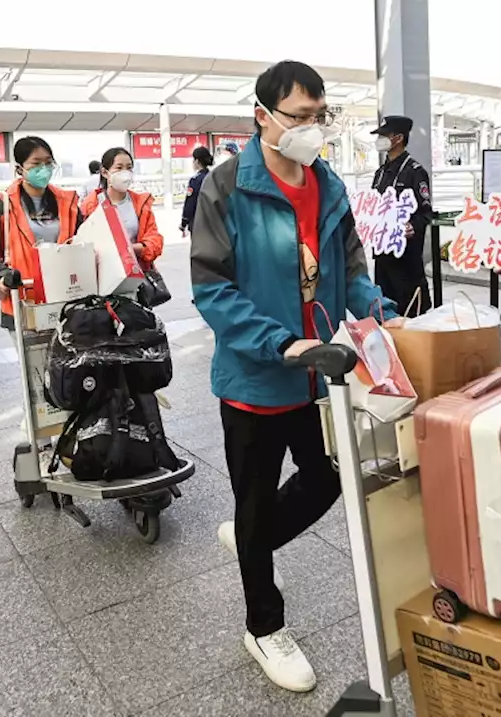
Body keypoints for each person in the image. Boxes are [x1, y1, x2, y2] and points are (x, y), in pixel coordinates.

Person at [190, 59, 399, 694]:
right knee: (255, 495)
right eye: (299, 117)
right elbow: (211, 289)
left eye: (319, 116)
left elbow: (352, 265)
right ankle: (263, 626)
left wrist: (380, 313)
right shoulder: (225, 188)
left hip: (322, 377)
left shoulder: (327, 183)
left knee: (330, 477)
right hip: (259, 380)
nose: (312, 129)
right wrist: (281, 344)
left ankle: (254, 536)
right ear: (263, 117)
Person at [0, 136, 81, 330]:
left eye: (48, 163)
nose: (44, 169)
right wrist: (3, 277)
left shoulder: (68, 203)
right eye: (36, 164)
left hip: (68, 301)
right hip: (22, 303)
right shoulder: (3, 205)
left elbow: (84, 246)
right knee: (35, 360)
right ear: (20, 169)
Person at [370, 115, 434, 316]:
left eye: (384, 135)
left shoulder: (414, 172)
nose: (379, 140)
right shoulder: (380, 172)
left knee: (410, 310)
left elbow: (425, 213)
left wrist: (412, 226)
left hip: (406, 258)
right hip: (383, 255)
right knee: (386, 310)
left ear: (398, 138)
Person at [79, 147, 164, 264]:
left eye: (129, 168)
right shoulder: (90, 205)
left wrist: (131, 249)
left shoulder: (141, 204)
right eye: (119, 168)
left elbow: (154, 240)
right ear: (104, 172)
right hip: (101, 272)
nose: (125, 173)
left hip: (135, 270)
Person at [179, 146, 213, 237]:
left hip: (198, 223)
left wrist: (183, 223)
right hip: (213, 223)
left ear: (197, 161)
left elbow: (190, 203)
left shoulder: (195, 180)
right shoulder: (213, 177)